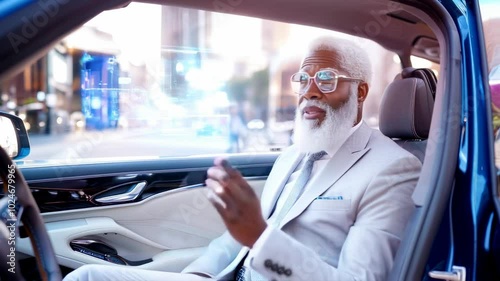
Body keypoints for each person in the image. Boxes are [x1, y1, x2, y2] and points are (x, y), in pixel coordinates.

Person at [64, 36, 422, 281]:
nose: (310, 91)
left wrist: (260, 237)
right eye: (304, 79)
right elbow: (234, 241)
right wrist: (199, 275)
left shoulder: (392, 170)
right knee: (87, 276)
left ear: (360, 91)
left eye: (326, 79)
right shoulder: (295, 154)